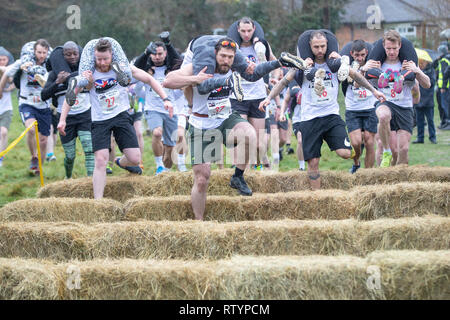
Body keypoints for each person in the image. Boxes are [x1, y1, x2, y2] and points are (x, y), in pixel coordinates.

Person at [164, 38, 282, 220]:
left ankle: (238, 176)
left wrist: (279, 62)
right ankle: (199, 222)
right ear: (215, 54)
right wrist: (194, 79)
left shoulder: (234, 67)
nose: (226, 60)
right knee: (202, 179)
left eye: (230, 57)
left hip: (225, 118)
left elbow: (255, 72)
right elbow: (168, 81)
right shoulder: (201, 66)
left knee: (250, 135)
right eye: (223, 56)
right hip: (201, 124)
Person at [259, 30, 386, 190]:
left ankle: (356, 161)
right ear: (310, 47)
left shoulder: (335, 63)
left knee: (346, 153)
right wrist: (269, 98)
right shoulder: (302, 66)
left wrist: (374, 91)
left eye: (323, 46)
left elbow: (356, 76)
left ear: (328, 45)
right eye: (316, 47)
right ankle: (316, 196)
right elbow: (284, 82)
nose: (320, 50)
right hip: (309, 119)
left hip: (331, 116)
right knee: (313, 163)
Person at [58, 38, 173, 199]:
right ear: (94, 58)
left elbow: (149, 79)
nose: (102, 62)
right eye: (99, 59)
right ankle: (98, 202)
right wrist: (62, 119)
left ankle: (120, 162)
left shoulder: (122, 70)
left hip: (121, 116)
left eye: (105, 59)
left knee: (135, 159)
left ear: (112, 56)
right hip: (99, 120)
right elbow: (70, 96)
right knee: (101, 160)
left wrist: (165, 99)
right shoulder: (89, 74)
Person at [366, 30, 430, 167]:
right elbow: (358, 82)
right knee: (383, 117)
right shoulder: (378, 64)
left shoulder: (408, 64)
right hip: (385, 102)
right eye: (388, 48)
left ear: (400, 46)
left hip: (404, 107)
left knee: (403, 150)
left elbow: (427, 84)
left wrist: (417, 70)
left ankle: (400, 179)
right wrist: (363, 69)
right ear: (383, 46)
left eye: (394, 48)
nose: (391, 52)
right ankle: (385, 157)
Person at [41, 41, 94, 179]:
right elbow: (43, 95)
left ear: (79, 53)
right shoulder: (54, 74)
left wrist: (70, 77)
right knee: (70, 156)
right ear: (62, 55)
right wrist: (57, 82)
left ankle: (90, 180)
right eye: (68, 54)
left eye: (75, 53)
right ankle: (68, 177)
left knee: (89, 150)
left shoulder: (84, 71)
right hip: (65, 119)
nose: (72, 57)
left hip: (84, 115)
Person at [0, 39, 51, 175]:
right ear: (34, 51)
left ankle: (39, 165)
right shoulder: (23, 62)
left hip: (43, 105)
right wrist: (0, 90)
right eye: (39, 52)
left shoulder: (49, 65)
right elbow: (6, 73)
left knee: (44, 140)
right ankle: (34, 157)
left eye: (44, 53)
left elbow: (50, 84)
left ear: (47, 53)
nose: (41, 55)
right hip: (27, 103)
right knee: (31, 129)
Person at [138, 41, 179, 175]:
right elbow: (135, 69)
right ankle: (159, 165)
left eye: (160, 53)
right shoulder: (146, 70)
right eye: (154, 54)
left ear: (165, 53)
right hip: (153, 108)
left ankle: (165, 172)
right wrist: (145, 53)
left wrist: (169, 45)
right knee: (156, 133)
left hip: (171, 110)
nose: (157, 56)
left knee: (170, 149)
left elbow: (181, 61)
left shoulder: (172, 69)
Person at [341, 40, 378, 173]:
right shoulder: (346, 66)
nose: (360, 58)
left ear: (366, 53)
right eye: (357, 55)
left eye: (362, 55)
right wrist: (361, 69)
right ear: (352, 54)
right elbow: (351, 81)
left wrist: (367, 68)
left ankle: (368, 174)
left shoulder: (372, 64)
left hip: (370, 108)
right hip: (353, 109)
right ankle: (356, 163)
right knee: (356, 143)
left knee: (369, 142)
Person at [65, 37, 132, 106]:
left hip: (96, 46)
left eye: (104, 59)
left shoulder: (97, 54)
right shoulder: (110, 49)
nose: (102, 63)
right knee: (126, 70)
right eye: (100, 60)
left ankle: (75, 81)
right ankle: (122, 69)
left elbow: (88, 88)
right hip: (109, 44)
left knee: (84, 77)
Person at [279, 85, 304, 171]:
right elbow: (286, 100)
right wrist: (282, 113)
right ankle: (302, 167)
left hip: (312, 118)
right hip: (298, 118)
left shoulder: (315, 79)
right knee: (300, 140)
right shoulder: (294, 80)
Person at [413, 58, 437, 143]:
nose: (421, 64)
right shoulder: (416, 71)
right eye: (420, 62)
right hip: (419, 100)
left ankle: (433, 137)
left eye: (423, 62)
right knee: (419, 121)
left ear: (426, 62)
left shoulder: (431, 71)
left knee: (430, 120)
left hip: (428, 101)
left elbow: (432, 84)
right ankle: (420, 138)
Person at [0, 48, 15, 167]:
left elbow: (14, 83)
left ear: (7, 60)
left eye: (4, 59)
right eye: (0, 60)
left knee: (3, 132)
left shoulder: (11, 70)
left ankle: (1, 156)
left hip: (6, 107)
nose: (2, 61)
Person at [433, 44, 450, 129]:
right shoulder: (442, 60)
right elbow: (434, 67)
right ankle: (444, 122)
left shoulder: (444, 61)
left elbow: (445, 75)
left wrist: (443, 87)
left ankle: (447, 123)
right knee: (442, 106)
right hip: (441, 87)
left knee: (445, 105)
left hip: (444, 87)